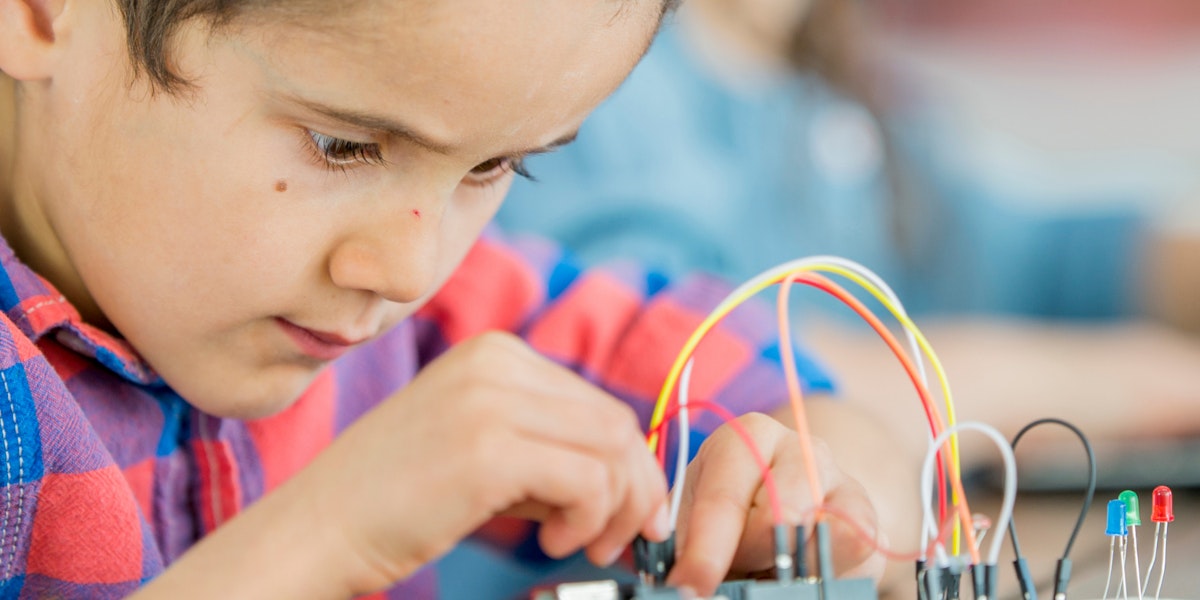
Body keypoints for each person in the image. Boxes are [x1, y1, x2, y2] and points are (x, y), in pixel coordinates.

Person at [0, 0, 915, 598]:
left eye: (492, 166)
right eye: (342, 147)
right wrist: (329, 533)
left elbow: (765, 391)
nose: (409, 267)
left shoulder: (435, 314)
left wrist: (805, 476)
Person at [495, 0, 1200, 458]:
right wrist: (1145, 383)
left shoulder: (827, 85)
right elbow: (690, 375)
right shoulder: (599, 74)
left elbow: (1022, 256)